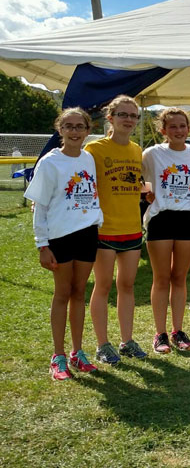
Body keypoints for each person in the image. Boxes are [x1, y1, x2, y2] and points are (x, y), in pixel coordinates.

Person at [25, 108, 103, 379]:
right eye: (68, 126)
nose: (74, 131)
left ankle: (77, 352)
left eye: (79, 126)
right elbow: (40, 206)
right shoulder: (50, 162)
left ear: (88, 130)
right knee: (62, 293)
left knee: (79, 293)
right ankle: (58, 356)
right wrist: (42, 245)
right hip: (60, 237)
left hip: (87, 234)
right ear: (60, 130)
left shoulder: (89, 158)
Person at [84, 95, 146, 364]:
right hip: (104, 229)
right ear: (110, 118)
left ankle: (127, 341)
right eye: (123, 114)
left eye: (133, 116)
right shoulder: (94, 149)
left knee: (127, 285)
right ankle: (102, 344)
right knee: (103, 285)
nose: (129, 120)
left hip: (132, 228)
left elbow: (134, 183)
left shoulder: (136, 150)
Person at [142, 107, 190, 353]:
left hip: (186, 219)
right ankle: (161, 334)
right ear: (163, 130)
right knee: (162, 278)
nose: (178, 130)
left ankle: (178, 331)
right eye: (173, 126)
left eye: (182, 125)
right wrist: (146, 193)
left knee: (179, 277)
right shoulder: (152, 153)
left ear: (189, 128)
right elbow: (135, 176)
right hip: (160, 218)